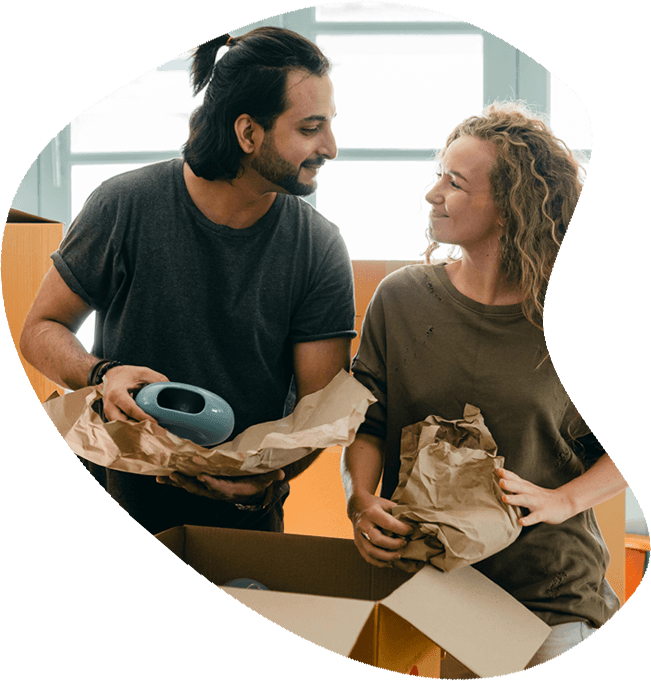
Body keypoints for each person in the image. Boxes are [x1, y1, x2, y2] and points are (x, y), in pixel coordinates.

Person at [20, 27, 356, 536]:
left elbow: (320, 411)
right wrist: (100, 372)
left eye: (329, 125)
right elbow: (40, 329)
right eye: (310, 128)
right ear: (248, 133)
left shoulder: (320, 246)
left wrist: (270, 478)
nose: (330, 147)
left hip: (244, 526)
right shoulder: (124, 205)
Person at [341, 102, 628, 675]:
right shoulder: (401, 299)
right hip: (424, 590)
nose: (432, 194)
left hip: (547, 602)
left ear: (508, 207)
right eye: (439, 175)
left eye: (454, 182)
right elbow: (366, 420)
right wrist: (360, 499)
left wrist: (564, 499)